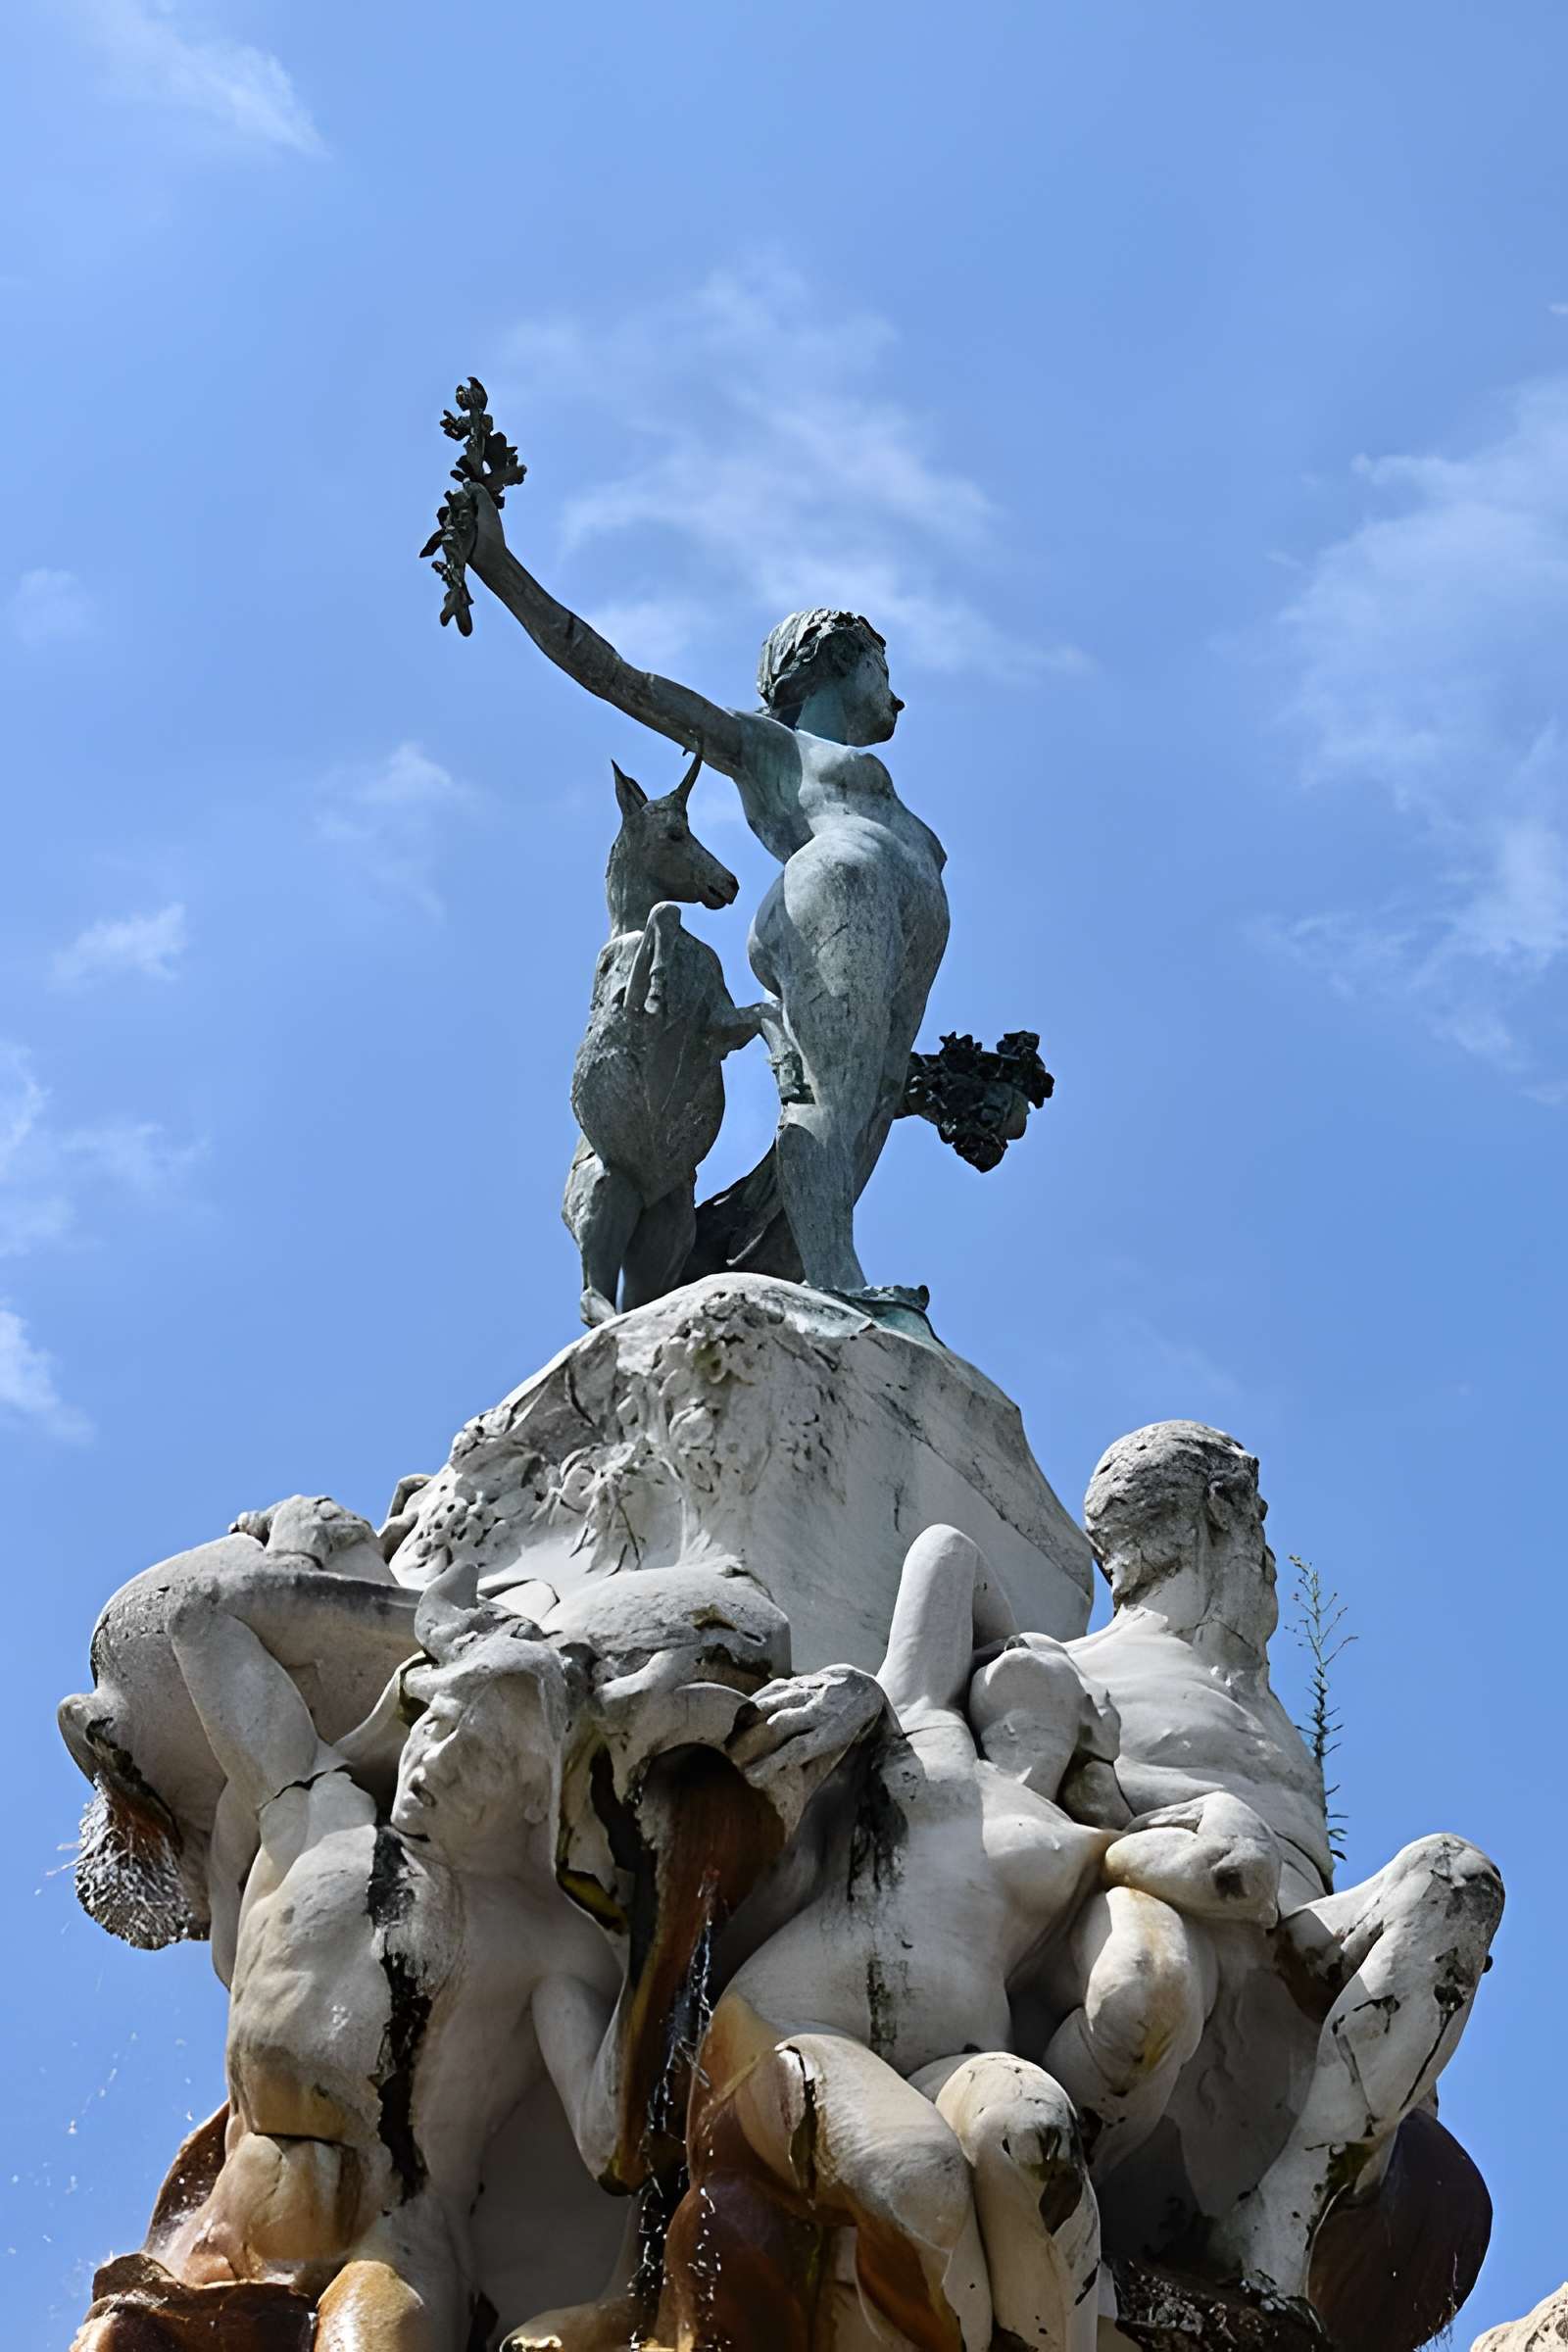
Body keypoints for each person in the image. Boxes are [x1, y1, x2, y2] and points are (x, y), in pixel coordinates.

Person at [656, 1525, 1238, 2352]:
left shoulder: (1092, 1846)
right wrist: (887, 1681)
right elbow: (947, 1550)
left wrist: (1129, 1791)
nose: (1016, 1656)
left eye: (1044, 1661)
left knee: (1036, 2137)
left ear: (1088, 1714)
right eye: (1002, 1654)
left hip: (951, 2064)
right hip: (791, 2031)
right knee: (921, 2173)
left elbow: (1233, 1877)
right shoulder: (927, 1728)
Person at [122, 1565, 623, 2352]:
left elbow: (607, 2138)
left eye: (481, 1753)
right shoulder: (312, 1808)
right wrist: (438, 1625)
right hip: (226, 2226)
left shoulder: (547, 1943)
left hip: (393, 2242)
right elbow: (199, 1618)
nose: (437, 1760)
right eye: (440, 1722)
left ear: (533, 1791)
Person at [466, 484, 950, 1297]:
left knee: (869, 1104)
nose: (895, 694)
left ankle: (774, 1259)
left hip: (893, 926)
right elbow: (614, 674)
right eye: (881, 667)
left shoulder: (882, 790)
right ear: (832, 661)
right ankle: (837, 1279)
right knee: (830, 1092)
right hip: (835, 894)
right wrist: (498, 562)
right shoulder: (768, 745)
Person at [1065, 1420, 1504, 2298]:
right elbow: (1055, 1816)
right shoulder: (1076, 1667)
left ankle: (1280, 2216)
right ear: (1221, 1515)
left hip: (1296, 1980)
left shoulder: (1272, 1727)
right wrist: (1208, 1827)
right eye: (1259, 1517)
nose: (1270, 1552)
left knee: (1454, 1877)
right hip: (1163, 1952)